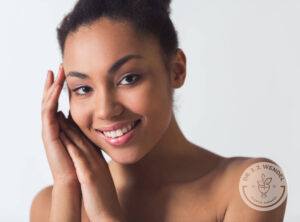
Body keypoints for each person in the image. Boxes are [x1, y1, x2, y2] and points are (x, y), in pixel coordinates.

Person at [30, 0, 287, 221]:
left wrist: (106, 216)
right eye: (83, 89)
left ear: (176, 70)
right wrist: (66, 188)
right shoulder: (48, 205)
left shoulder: (255, 184)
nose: (106, 110)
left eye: (128, 78)